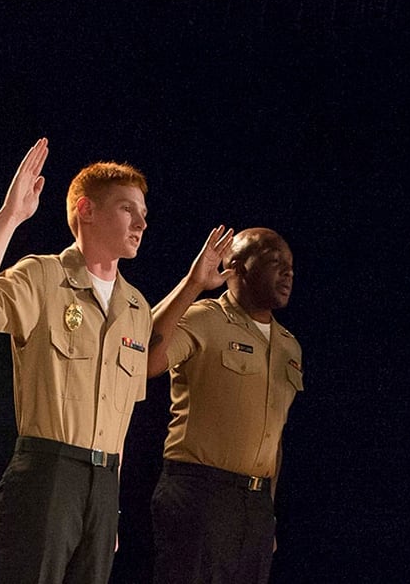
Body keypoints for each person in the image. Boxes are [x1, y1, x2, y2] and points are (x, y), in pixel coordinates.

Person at [0, 139, 152, 583]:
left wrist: (110, 502)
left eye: (143, 212)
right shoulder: (43, 275)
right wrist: (8, 221)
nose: (141, 221)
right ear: (87, 210)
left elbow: (123, 417)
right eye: (127, 209)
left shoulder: (137, 307)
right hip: (48, 475)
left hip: (102, 487)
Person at [145, 227, 302, 584]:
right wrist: (193, 284)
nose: (288, 272)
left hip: (256, 507)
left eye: (291, 265)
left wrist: (267, 511)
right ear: (236, 267)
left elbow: (273, 438)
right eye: (275, 261)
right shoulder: (204, 317)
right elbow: (145, 360)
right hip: (200, 496)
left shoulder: (289, 346)